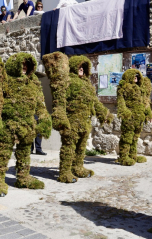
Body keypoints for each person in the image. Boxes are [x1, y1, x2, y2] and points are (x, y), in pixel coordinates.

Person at [0, 52, 52, 196]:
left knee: (24, 153)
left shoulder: (34, 81)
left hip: (28, 125)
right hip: (8, 124)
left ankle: (23, 178)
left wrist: (44, 118)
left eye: (26, 65)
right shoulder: (6, 79)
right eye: (22, 64)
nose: (24, 67)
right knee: (2, 154)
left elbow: (40, 103)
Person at [43, 53, 113, 183]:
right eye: (80, 67)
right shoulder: (67, 81)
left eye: (84, 67)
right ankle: (65, 172)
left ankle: (78, 167)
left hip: (85, 122)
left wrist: (104, 113)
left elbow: (94, 102)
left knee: (81, 147)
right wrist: (61, 118)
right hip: (71, 122)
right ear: (74, 67)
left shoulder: (88, 84)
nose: (81, 69)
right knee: (68, 147)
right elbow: (60, 100)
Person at [116, 69, 152, 166]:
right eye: (133, 75)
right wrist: (125, 112)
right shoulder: (124, 87)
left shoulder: (141, 89)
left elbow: (145, 102)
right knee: (127, 137)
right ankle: (123, 157)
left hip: (139, 119)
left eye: (137, 75)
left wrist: (149, 115)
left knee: (135, 138)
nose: (135, 77)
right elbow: (121, 102)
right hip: (129, 118)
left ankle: (132, 155)